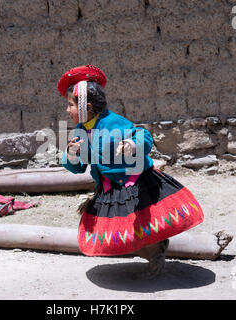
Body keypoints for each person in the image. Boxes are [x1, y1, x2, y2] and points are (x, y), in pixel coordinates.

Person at [58, 65, 204, 278]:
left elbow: (142, 136)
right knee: (115, 233)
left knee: (133, 228)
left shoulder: (114, 122)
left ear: (85, 107)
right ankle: (156, 247)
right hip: (109, 188)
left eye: (70, 105)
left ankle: (156, 256)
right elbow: (79, 166)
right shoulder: (81, 131)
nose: (67, 110)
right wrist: (71, 154)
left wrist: (132, 146)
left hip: (134, 184)